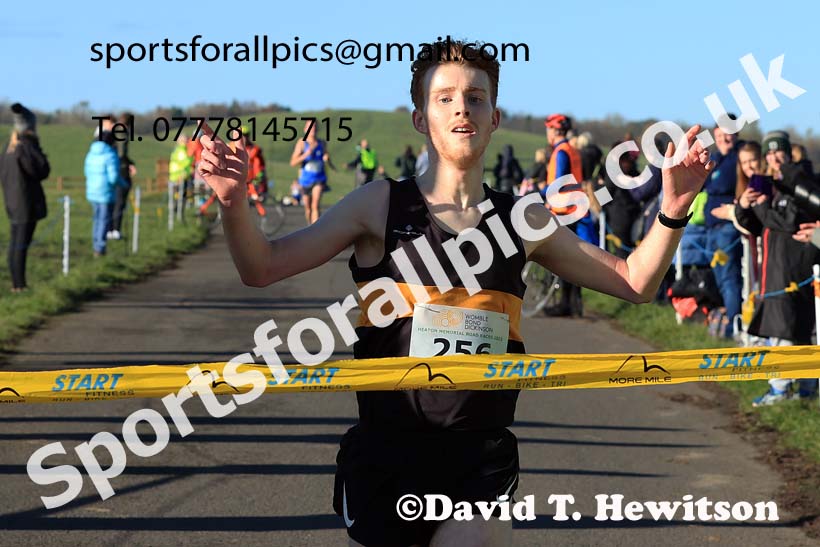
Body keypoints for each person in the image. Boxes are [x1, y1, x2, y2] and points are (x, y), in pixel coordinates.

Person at [195, 38, 713, 547]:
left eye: (476, 98)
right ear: (421, 118)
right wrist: (233, 203)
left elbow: (634, 283)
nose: (461, 108)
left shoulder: (523, 220)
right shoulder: (378, 205)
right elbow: (262, 268)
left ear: (495, 117)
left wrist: (675, 208)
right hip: (387, 452)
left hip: (479, 457)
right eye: (444, 98)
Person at [734, 131, 820, 405]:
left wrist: (760, 208)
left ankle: (782, 389)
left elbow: (788, 222)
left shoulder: (799, 184)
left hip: (794, 270)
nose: (773, 158)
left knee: (788, 330)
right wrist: (743, 208)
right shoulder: (775, 185)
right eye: (769, 153)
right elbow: (758, 226)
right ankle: (804, 388)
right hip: (775, 269)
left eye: (778, 152)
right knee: (788, 330)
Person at [543, 113, 594, 316]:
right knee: (572, 258)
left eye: (548, 130)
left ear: (555, 131)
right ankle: (575, 304)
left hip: (564, 210)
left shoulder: (561, 152)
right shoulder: (572, 149)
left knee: (562, 259)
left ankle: (566, 304)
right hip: (576, 208)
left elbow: (557, 183)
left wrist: (535, 195)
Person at [0, 103, 50, 293]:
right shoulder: (26, 147)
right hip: (25, 202)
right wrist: (38, 150)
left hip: (11, 200)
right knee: (20, 245)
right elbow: (41, 169)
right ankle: (19, 285)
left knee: (15, 244)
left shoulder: (8, 147)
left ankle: (16, 283)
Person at [703, 116, 743, 338]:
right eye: (719, 135)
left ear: (736, 134)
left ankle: (733, 326)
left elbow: (724, 186)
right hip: (711, 229)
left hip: (728, 229)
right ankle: (728, 315)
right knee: (719, 275)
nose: (724, 138)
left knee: (729, 276)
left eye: (728, 134)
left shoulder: (739, 159)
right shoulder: (715, 159)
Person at [84, 124, 126, 257]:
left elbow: (86, 171)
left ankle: (96, 243)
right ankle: (100, 247)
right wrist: (123, 184)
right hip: (105, 192)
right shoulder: (110, 155)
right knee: (104, 219)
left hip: (92, 191)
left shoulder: (91, 153)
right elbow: (113, 177)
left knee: (96, 219)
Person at [290, 120, 333, 225]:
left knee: (315, 205)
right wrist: (305, 155)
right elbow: (293, 162)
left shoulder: (322, 143)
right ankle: (309, 227)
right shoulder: (301, 143)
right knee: (308, 208)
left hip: (319, 178)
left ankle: (315, 232)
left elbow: (328, 161)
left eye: (314, 127)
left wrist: (327, 159)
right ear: (305, 129)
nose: (312, 129)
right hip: (305, 180)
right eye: (309, 127)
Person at [109, 113, 137, 241]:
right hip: (121, 171)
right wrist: (129, 164)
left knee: (114, 201)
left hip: (115, 169)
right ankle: (115, 230)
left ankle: (111, 229)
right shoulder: (122, 133)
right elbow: (121, 154)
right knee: (120, 202)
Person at [169, 133, 194, 216]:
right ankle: (178, 208)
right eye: (186, 140)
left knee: (180, 194)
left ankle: (179, 209)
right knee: (180, 193)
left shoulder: (179, 149)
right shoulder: (181, 150)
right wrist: (192, 158)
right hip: (179, 176)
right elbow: (184, 162)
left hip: (179, 175)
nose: (187, 142)